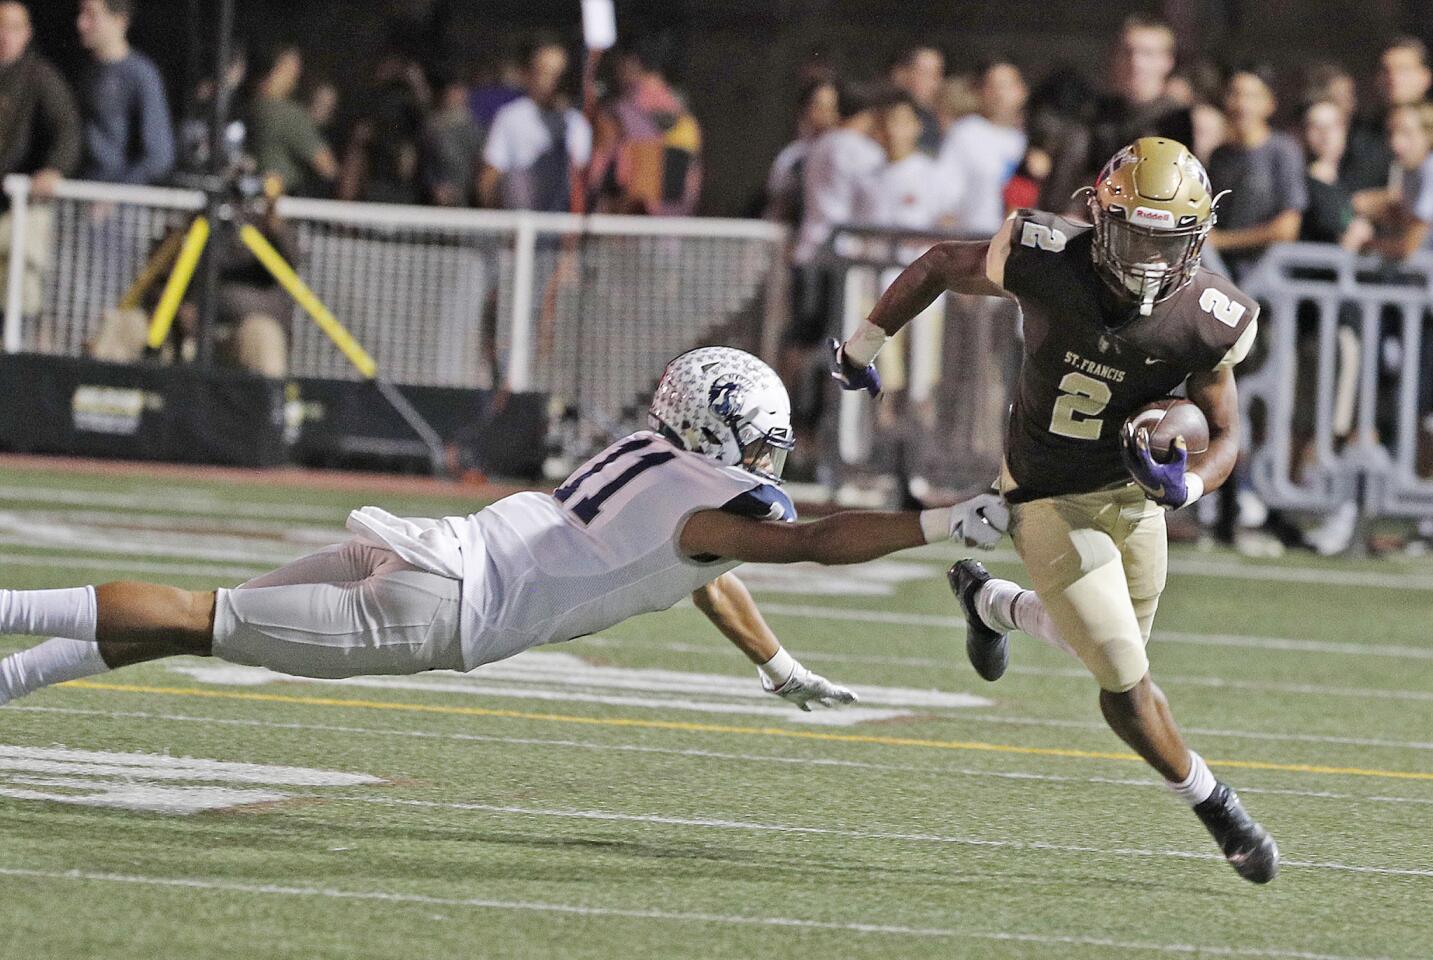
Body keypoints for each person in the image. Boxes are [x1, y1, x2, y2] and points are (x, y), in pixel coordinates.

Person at [0, 347, 1002, 713]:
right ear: (735, 436)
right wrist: (944, 521)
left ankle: (18, 674)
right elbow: (815, 542)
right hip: (442, 606)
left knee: (191, 620)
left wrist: (775, 666)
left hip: (430, 547)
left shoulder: (647, 461)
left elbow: (693, 571)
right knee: (192, 616)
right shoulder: (717, 505)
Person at [828, 138, 1278, 884]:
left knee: (1106, 645)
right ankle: (1217, 806)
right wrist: (862, 344)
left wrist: (1186, 485)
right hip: (1045, 494)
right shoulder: (1045, 256)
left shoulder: (1209, 314)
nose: (1145, 258)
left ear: (1195, 239)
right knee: (1124, 679)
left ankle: (992, 603)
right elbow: (942, 261)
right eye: (1131, 234)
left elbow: (1224, 432)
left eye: (1165, 241)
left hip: (1132, 503)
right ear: (1098, 219)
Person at [1041, 15, 1190, 212]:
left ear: (1167, 61)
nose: (1135, 62)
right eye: (1128, 52)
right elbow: (1064, 181)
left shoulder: (1180, 120)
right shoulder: (1094, 115)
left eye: (1148, 53)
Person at [1206, 65, 1306, 281]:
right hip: (1219, 277)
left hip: (1266, 281)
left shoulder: (1283, 151)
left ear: (1270, 104)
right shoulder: (1219, 156)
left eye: (1252, 96)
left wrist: (1221, 241)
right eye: (1234, 94)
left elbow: (1287, 228)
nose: (1242, 105)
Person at [587, 38, 702, 216]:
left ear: (630, 63)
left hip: (625, 227)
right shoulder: (687, 120)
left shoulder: (619, 114)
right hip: (672, 231)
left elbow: (597, 175)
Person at [480, 34, 590, 213]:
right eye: (545, 72)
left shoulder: (578, 125)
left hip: (560, 228)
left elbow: (581, 184)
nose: (553, 81)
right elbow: (489, 180)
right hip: (519, 227)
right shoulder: (510, 117)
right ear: (529, 73)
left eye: (559, 74)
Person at [74, 0, 174, 185]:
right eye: (81, 13)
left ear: (119, 20)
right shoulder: (87, 73)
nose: (81, 23)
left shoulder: (140, 74)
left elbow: (159, 155)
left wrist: (117, 193)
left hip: (120, 206)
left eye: (91, 14)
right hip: (83, 194)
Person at [938, 59, 1028, 237]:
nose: (999, 94)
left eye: (1006, 86)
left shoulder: (1029, 140)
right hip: (975, 241)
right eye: (992, 86)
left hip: (1019, 248)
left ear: (1022, 91)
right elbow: (945, 196)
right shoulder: (966, 132)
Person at [244, 45, 338, 197]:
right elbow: (328, 168)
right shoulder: (289, 115)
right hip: (281, 205)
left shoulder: (248, 107)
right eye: (294, 68)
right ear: (279, 68)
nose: (297, 76)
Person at [1342, 37, 1432, 193]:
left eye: (1404, 70)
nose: (1394, 79)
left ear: (1425, 77)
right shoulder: (1358, 133)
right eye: (1386, 70)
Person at [763, 78, 839, 226]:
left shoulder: (851, 155)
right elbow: (778, 205)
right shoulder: (792, 158)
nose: (825, 114)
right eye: (818, 106)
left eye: (831, 107)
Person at [886, 45, 944, 156]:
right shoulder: (880, 116)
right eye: (925, 73)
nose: (935, 83)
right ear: (901, 74)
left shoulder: (937, 119)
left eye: (937, 75)